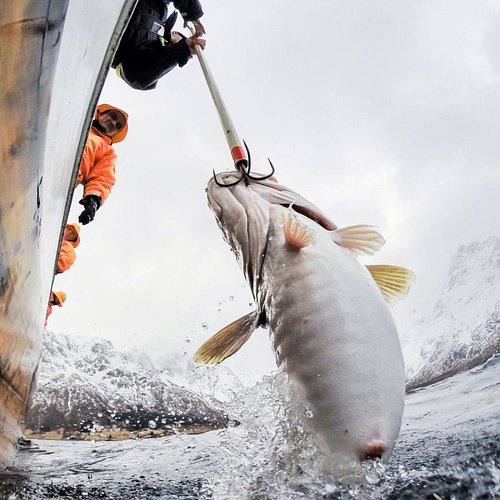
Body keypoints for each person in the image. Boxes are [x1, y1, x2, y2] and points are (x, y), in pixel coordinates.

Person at [112, 0, 206, 91]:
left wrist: (182, 50)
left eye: (180, 42)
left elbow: (138, 78)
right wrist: (193, 15)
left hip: (107, 39)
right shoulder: (159, 7)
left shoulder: (150, 53)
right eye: (179, 37)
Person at [77, 103, 128, 225]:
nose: (113, 123)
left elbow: (103, 178)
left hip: (61, 180)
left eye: (118, 126)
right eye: (113, 116)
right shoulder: (78, 120)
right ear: (101, 114)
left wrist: (93, 201)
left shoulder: (107, 152)